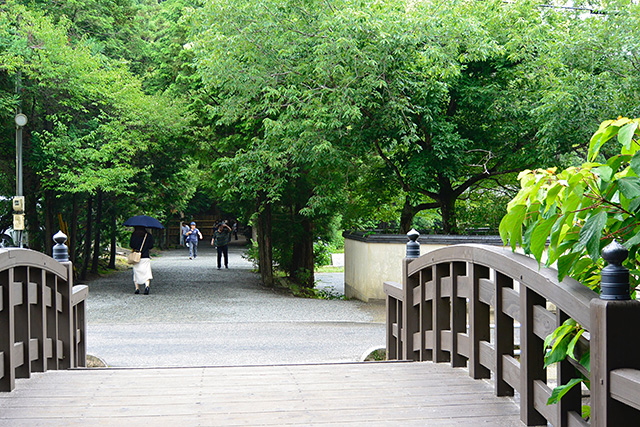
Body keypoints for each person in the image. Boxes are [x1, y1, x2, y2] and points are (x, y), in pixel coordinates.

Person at [130, 226, 154, 295]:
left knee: (136, 273)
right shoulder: (148, 235)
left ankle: (137, 288)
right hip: (145, 256)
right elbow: (151, 246)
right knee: (146, 272)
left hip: (136, 256)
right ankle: (147, 286)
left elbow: (131, 245)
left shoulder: (134, 235)